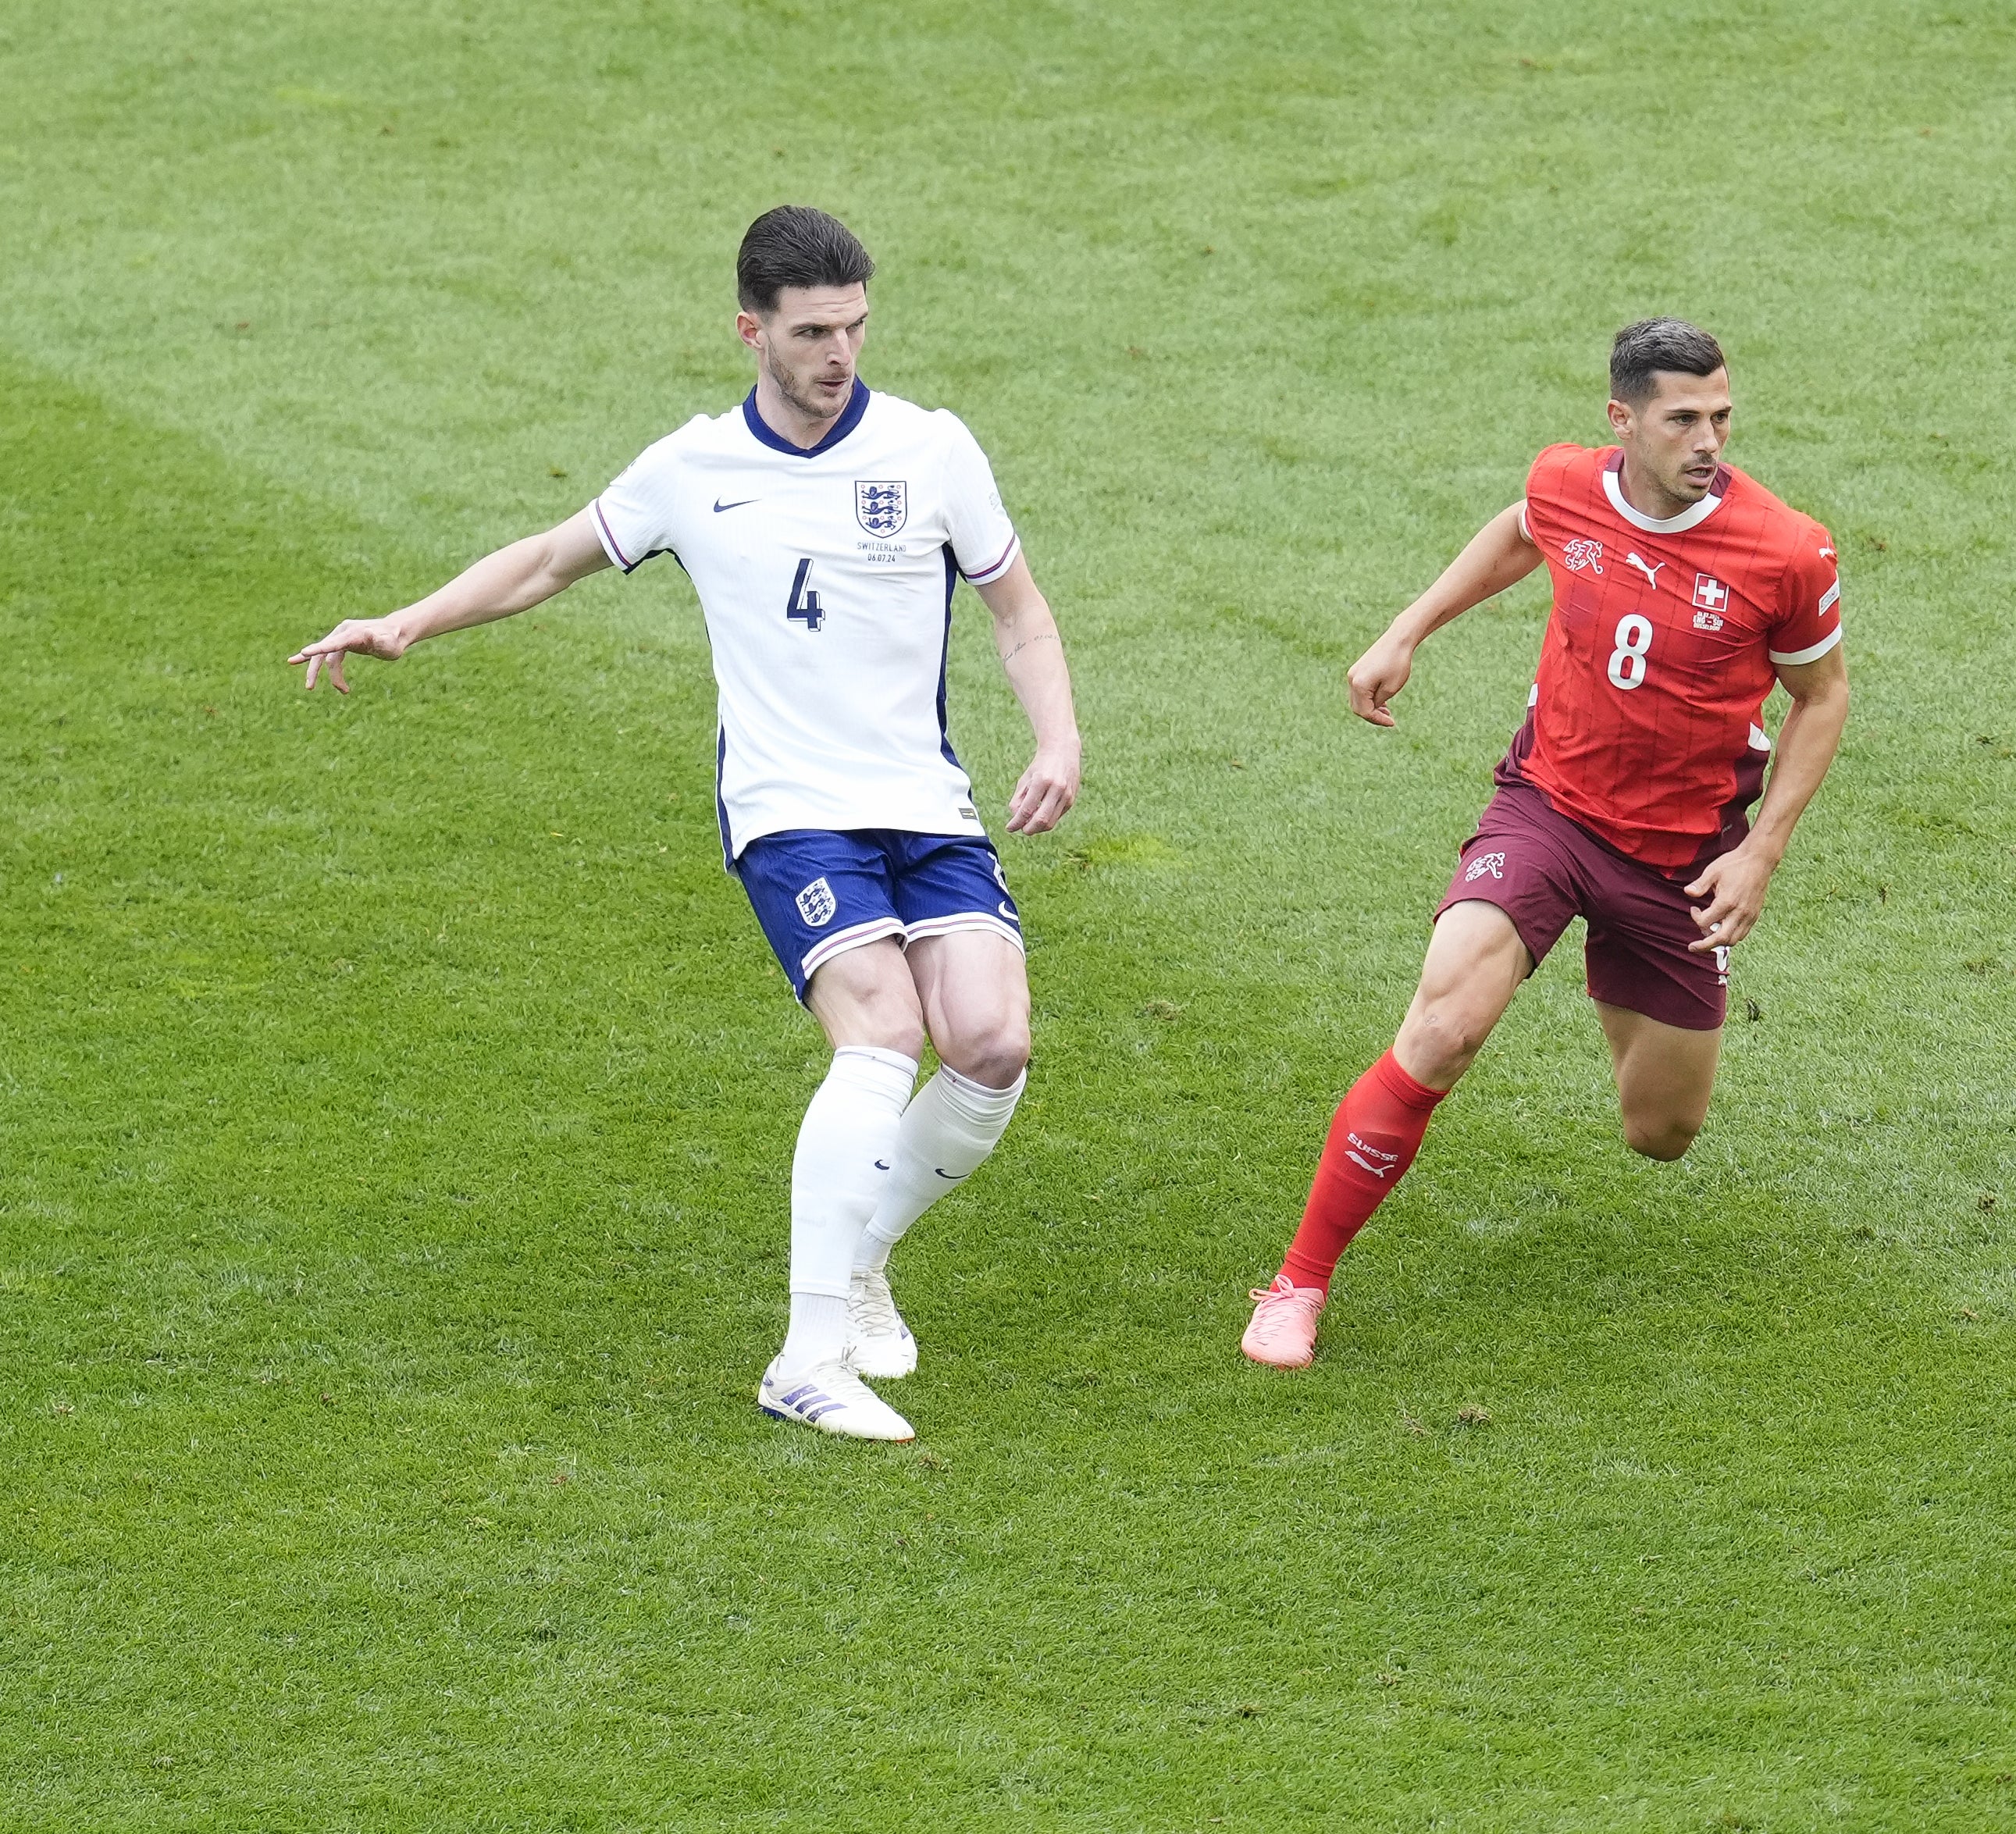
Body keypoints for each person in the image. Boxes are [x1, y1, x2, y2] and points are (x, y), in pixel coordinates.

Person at [290, 206, 1081, 1440]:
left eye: (857, 326)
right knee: (880, 1029)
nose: (840, 354)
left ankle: (859, 1246)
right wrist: (407, 620)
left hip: (925, 804)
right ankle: (808, 1358)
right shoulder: (693, 470)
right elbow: (550, 560)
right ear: (750, 329)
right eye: (813, 331)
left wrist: (1058, 740)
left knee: (990, 1043)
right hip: (790, 813)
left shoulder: (933, 451)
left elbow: (1017, 614)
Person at [1240, 318, 1848, 1369]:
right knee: (1441, 1028)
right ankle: (1297, 1282)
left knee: (1660, 1132)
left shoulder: (1785, 551)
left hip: (1681, 861)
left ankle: (1609, 959)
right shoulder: (1569, 483)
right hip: (1549, 810)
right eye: (1683, 419)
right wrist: (1407, 627)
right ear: (1622, 421)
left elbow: (1821, 697)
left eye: (1722, 416)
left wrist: (1760, 856)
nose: (1710, 439)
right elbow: (1523, 529)